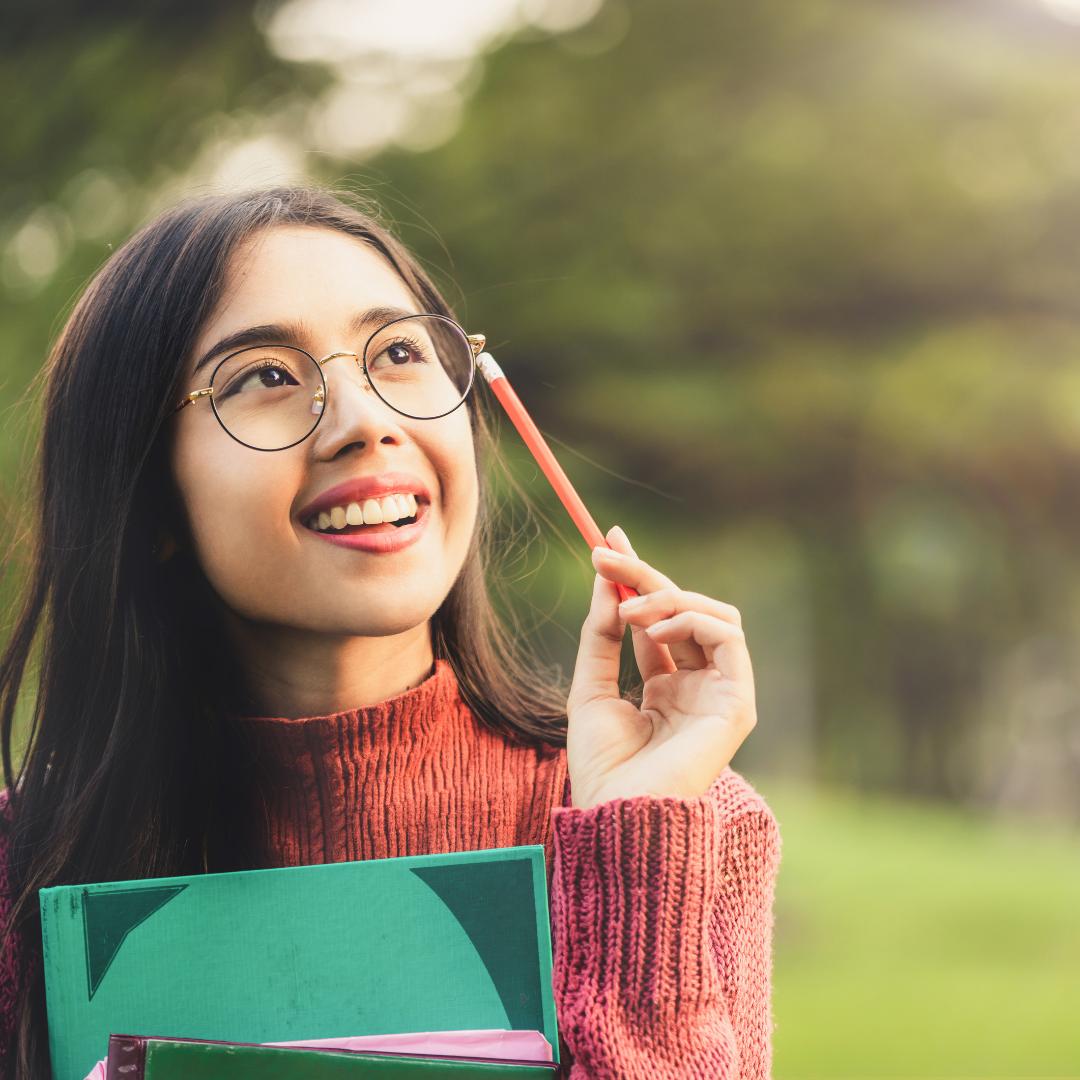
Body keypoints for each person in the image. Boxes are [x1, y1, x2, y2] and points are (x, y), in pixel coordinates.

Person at [0, 185, 781, 1079]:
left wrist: (636, 853)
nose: (366, 422)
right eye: (265, 376)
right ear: (149, 494)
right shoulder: (23, 867)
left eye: (401, 352)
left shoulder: (676, 820)